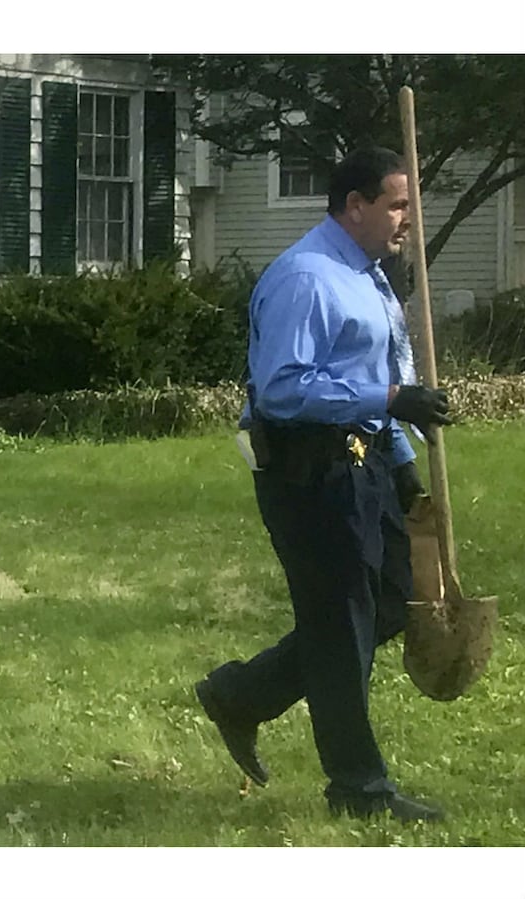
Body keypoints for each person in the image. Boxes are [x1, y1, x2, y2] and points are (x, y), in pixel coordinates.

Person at [195, 146, 454, 822]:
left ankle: (242, 695)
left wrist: (401, 467)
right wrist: (391, 395)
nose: (408, 220)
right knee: (342, 626)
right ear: (355, 205)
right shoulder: (306, 278)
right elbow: (283, 389)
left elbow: (372, 375)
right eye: (398, 204)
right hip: (308, 472)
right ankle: (359, 789)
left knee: (396, 599)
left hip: (364, 463)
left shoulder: (367, 277)